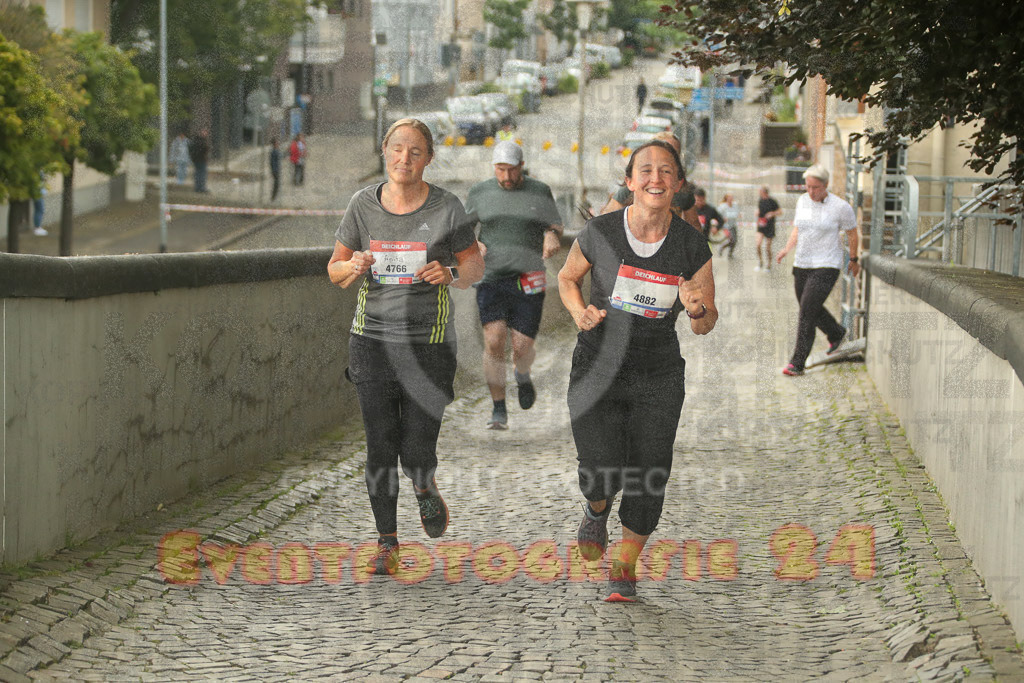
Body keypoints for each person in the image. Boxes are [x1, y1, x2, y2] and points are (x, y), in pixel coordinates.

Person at [558, 140, 717, 602]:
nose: (655, 178)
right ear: (629, 181)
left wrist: (697, 307)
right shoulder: (602, 232)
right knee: (598, 467)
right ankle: (596, 507)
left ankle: (624, 568)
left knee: (650, 472)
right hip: (598, 365)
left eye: (666, 171)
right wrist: (580, 312)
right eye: (645, 170)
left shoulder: (690, 245)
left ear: (678, 184)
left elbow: (705, 322)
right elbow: (567, 278)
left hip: (657, 372)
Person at [327, 118, 484, 575]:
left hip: (428, 345)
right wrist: (353, 265)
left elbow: (474, 268)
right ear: (385, 150)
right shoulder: (362, 205)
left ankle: (423, 484)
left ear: (429, 158)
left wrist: (449, 273)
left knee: (415, 448)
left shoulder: (447, 207)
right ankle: (387, 542)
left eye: (415, 151)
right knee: (379, 446)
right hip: (371, 341)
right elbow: (334, 270)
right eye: (397, 148)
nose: (404, 159)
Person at [465, 140, 562, 429]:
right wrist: (473, 244)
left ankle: (522, 373)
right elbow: (463, 232)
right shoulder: (479, 192)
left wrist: (551, 235)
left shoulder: (539, 191)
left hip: (528, 278)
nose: (506, 177)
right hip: (491, 278)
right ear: (493, 167)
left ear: (522, 166)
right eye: (500, 170)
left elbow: (555, 224)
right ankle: (498, 409)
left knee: (521, 347)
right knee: (494, 342)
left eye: (512, 170)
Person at [774, 165, 859, 376]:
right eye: (808, 186)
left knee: (806, 312)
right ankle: (836, 333)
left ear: (826, 185)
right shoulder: (802, 201)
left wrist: (854, 258)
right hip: (802, 263)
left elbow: (852, 233)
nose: (811, 191)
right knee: (810, 308)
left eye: (816, 187)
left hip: (827, 264)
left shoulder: (840, 207)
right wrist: (786, 248)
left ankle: (797, 362)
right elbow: (798, 228)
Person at [600, 132, 700, 229]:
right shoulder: (635, 185)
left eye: (673, 153)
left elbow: (694, 225)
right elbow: (605, 218)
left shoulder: (683, 190)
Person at [756, 186, 782, 271]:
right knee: (758, 245)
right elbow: (759, 210)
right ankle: (760, 262)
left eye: (760, 191)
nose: (759, 193)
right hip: (761, 225)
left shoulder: (772, 201)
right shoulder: (760, 200)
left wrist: (772, 213)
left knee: (767, 248)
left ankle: (769, 264)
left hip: (770, 226)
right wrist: (757, 212)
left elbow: (780, 212)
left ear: (764, 192)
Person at [716, 193, 740, 258]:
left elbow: (737, 213)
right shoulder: (722, 206)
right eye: (729, 197)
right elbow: (717, 214)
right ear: (726, 198)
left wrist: (738, 215)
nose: (731, 198)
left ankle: (729, 253)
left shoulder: (735, 205)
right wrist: (721, 219)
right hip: (726, 226)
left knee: (734, 241)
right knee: (732, 239)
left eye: (732, 197)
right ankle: (723, 248)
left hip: (733, 225)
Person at [269, 138, 282, 202]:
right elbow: (272, 162)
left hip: (276, 170)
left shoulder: (276, 151)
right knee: (276, 184)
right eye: (277, 143)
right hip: (275, 170)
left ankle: (274, 197)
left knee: (277, 184)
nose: (278, 144)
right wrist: (274, 171)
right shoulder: (274, 152)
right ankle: (273, 197)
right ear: (274, 144)